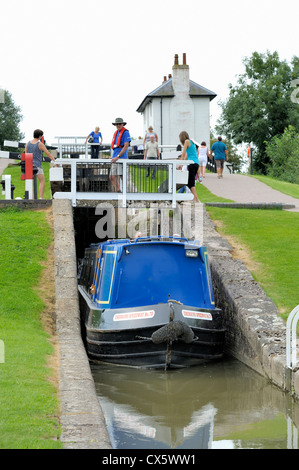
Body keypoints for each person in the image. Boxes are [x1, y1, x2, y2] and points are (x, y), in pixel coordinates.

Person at [25, 129, 57, 199]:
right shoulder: (40, 144)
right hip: (37, 165)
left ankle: (32, 198)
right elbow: (48, 153)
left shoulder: (27, 144)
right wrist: (55, 161)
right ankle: (41, 197)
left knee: (30, 182)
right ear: (40, 136)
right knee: (42, 181)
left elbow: (26, 155)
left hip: (29, 165)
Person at [110, 117, 131, 192]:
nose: (118, 125)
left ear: (123, 124)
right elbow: (115, 146)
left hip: (122, 158)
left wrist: (118, 156)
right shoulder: (116, 133)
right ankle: (118, 190)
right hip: (115, 157)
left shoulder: (125, 133)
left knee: (122, 175)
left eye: (119, 124)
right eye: (117, 124)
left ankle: (126, 191)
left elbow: (126, 146)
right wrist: (113, 156)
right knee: (112, 176)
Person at [179, 131, 200, 202]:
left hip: (192, 164)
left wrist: (180, 164)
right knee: (189, 182)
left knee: (190, 182)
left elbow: (183, 153)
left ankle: (195, 198)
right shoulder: (192, 142)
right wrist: (183, 163)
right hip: (196, 164)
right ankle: (195, 198)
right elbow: (187, 155)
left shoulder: (186, 141)